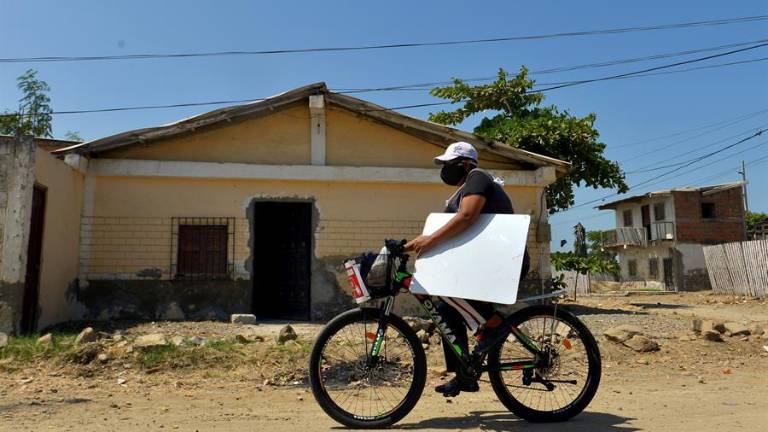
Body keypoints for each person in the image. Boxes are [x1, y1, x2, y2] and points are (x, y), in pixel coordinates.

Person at [405, 141, 530, 397]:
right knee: (442, 309)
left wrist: (429, 241)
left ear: (464, 163)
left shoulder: (478, 178)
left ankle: (494, 326)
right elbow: (438, 231)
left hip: (505, 262)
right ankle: (464, 375)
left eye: (447, 164)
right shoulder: (458, 195)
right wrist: (405, 246)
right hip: (486, 264)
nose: (444, 170)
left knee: (450, 289)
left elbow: (466, 217)